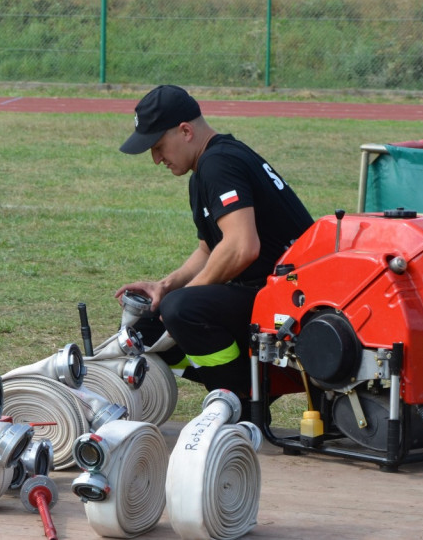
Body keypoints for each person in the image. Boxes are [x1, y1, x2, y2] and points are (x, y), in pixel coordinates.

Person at [114, 84, 313, 399]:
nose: (156, 159)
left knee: (182, 310)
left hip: (291, 299)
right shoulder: (206, 168)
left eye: (158, 146)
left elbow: (242, 247)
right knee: (145, 330)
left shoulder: (218, 163)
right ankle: (250, 383)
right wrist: (165, 286)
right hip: (268, 293)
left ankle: (240, 400)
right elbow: (210, 248)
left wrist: (184, 296)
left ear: (185, 131)